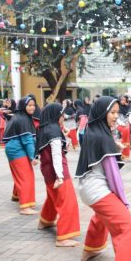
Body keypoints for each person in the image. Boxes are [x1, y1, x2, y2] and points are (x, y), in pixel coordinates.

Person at [76, 96, 131, 261]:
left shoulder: (93, 129)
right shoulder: (102, 136)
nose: (115, 116)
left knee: (102, 216)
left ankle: (90, 249)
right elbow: (114, 177)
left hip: (87, 186)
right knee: (128, 226)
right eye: (112, 112)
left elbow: (101, 152)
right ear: (101, 113)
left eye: (117, 112)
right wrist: (124, 203)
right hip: (96, 189)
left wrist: (115, 146)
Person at [36, 103, 80, 247]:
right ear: (56, 115)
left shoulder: (43, 128)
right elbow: (56, 154)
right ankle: (63, 237)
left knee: (53, 197)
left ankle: (45, 221)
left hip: (47, 170)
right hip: (57, 170)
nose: (63, 118)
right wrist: (60, 176)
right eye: (62, 115)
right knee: (67, 201)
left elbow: (52, 149)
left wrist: (64, 136)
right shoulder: (54, 130)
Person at [2, 96, 38, 215]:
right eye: (29, 105)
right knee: (26, 176)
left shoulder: (22, 116)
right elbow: (27, 140)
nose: (32, 107)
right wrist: (32, 157)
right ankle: (25, 207)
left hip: (14, 148)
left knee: (21, 174)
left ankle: (17, 196)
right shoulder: (23, 119)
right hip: (17, 150)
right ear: (23, 106)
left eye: (33, 105)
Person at [117, 95, 131, 160]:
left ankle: (125, 154)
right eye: (122, 100)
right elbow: (116, 118)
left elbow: (129, 117)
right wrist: (121, 123)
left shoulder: (127, 107)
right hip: (118, 124)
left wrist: (126, 123)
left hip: (126, 125)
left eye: (124, 100)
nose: (123, 101)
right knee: (125, 133)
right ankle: (122, 152)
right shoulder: (117, 107)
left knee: (126, 136)